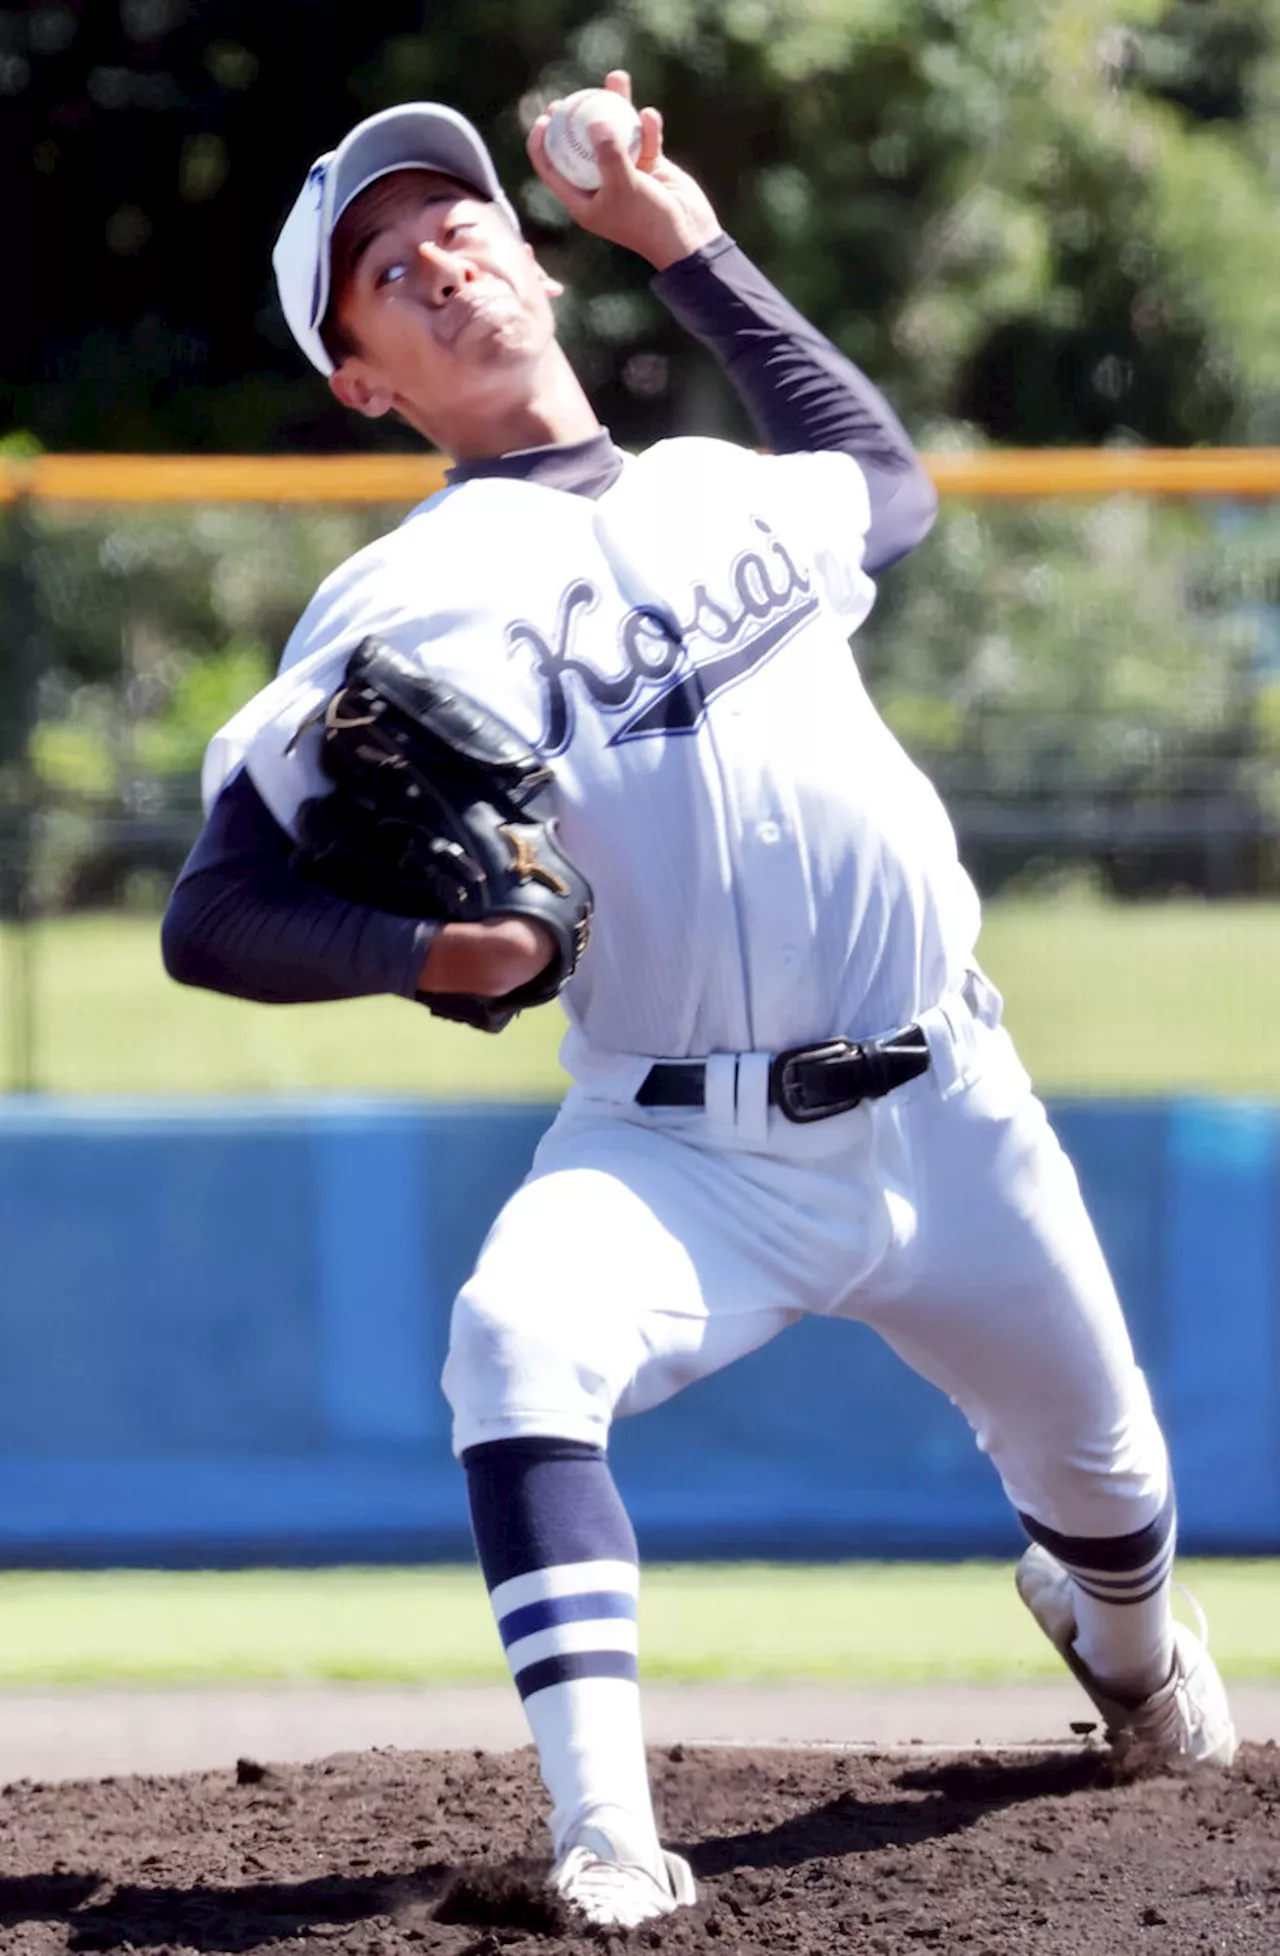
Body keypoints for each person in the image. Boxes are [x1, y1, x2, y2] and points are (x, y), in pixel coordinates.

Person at [162, 74, 1236, 1930]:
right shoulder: (395, 605)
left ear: (535, 263)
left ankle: (1122, 1644)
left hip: (952, 1100)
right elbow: (215, 915)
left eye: (463, 225)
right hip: (683, 1147)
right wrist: (427, 954)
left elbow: (886, 483)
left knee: (1119, 1504)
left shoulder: (723, 490)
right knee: (512, 1343)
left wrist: (686, 243)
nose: (444, 262)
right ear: (363, 383)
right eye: (387, 274)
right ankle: (603, 1837)